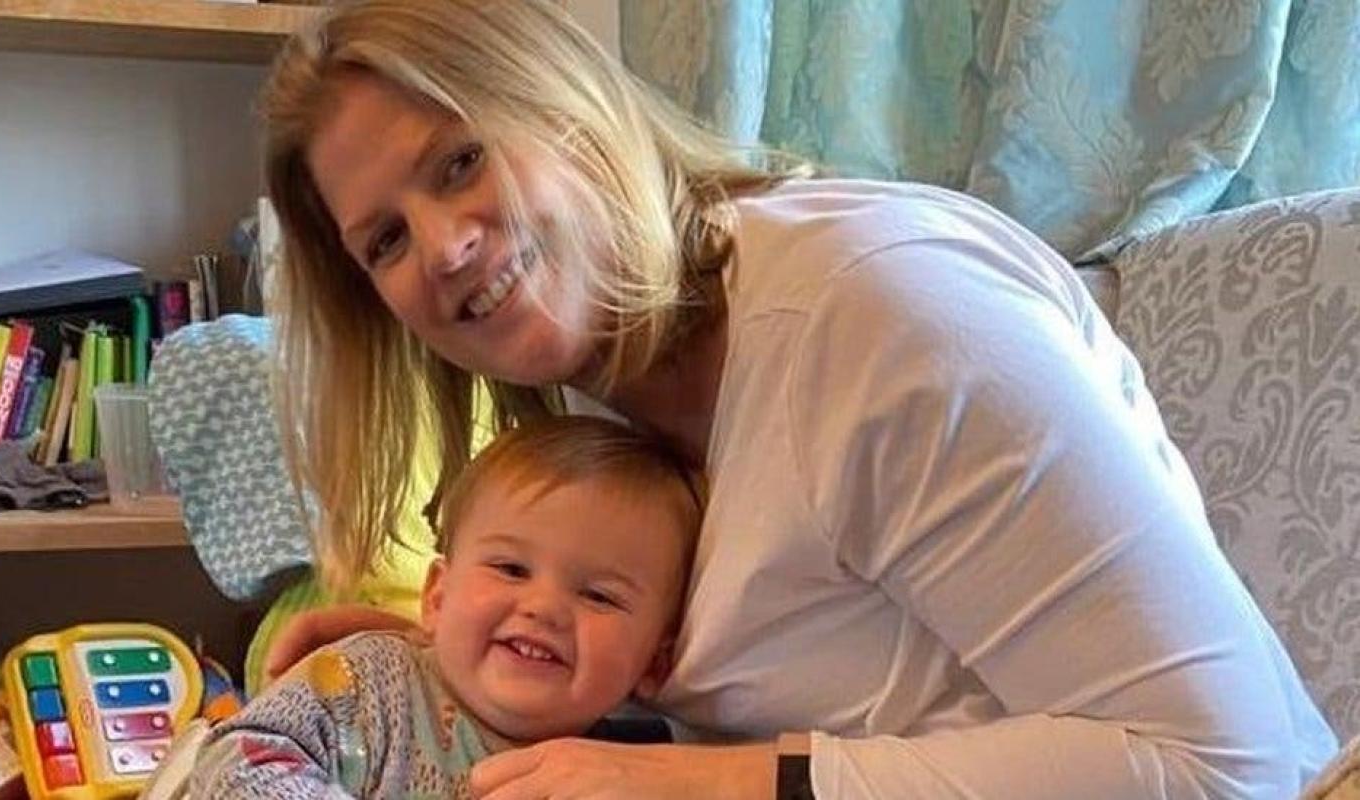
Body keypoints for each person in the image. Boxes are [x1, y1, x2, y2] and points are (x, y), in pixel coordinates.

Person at [256, 0, 1338, 797]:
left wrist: (705, 785)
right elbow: (779, 653)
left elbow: (1227, 766)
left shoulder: (886, 319)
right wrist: (466, 654)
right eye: (384, 240)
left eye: (459, 162)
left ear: (571, 113)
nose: (444, 247)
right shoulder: (593, 397)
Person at [190, 415, 701, 797]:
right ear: (437, 595)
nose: (544, 607)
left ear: (654, 663)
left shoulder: (636, 774)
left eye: (598, 595)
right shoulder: (365, 681)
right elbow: (238, 757)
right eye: (511, 568)